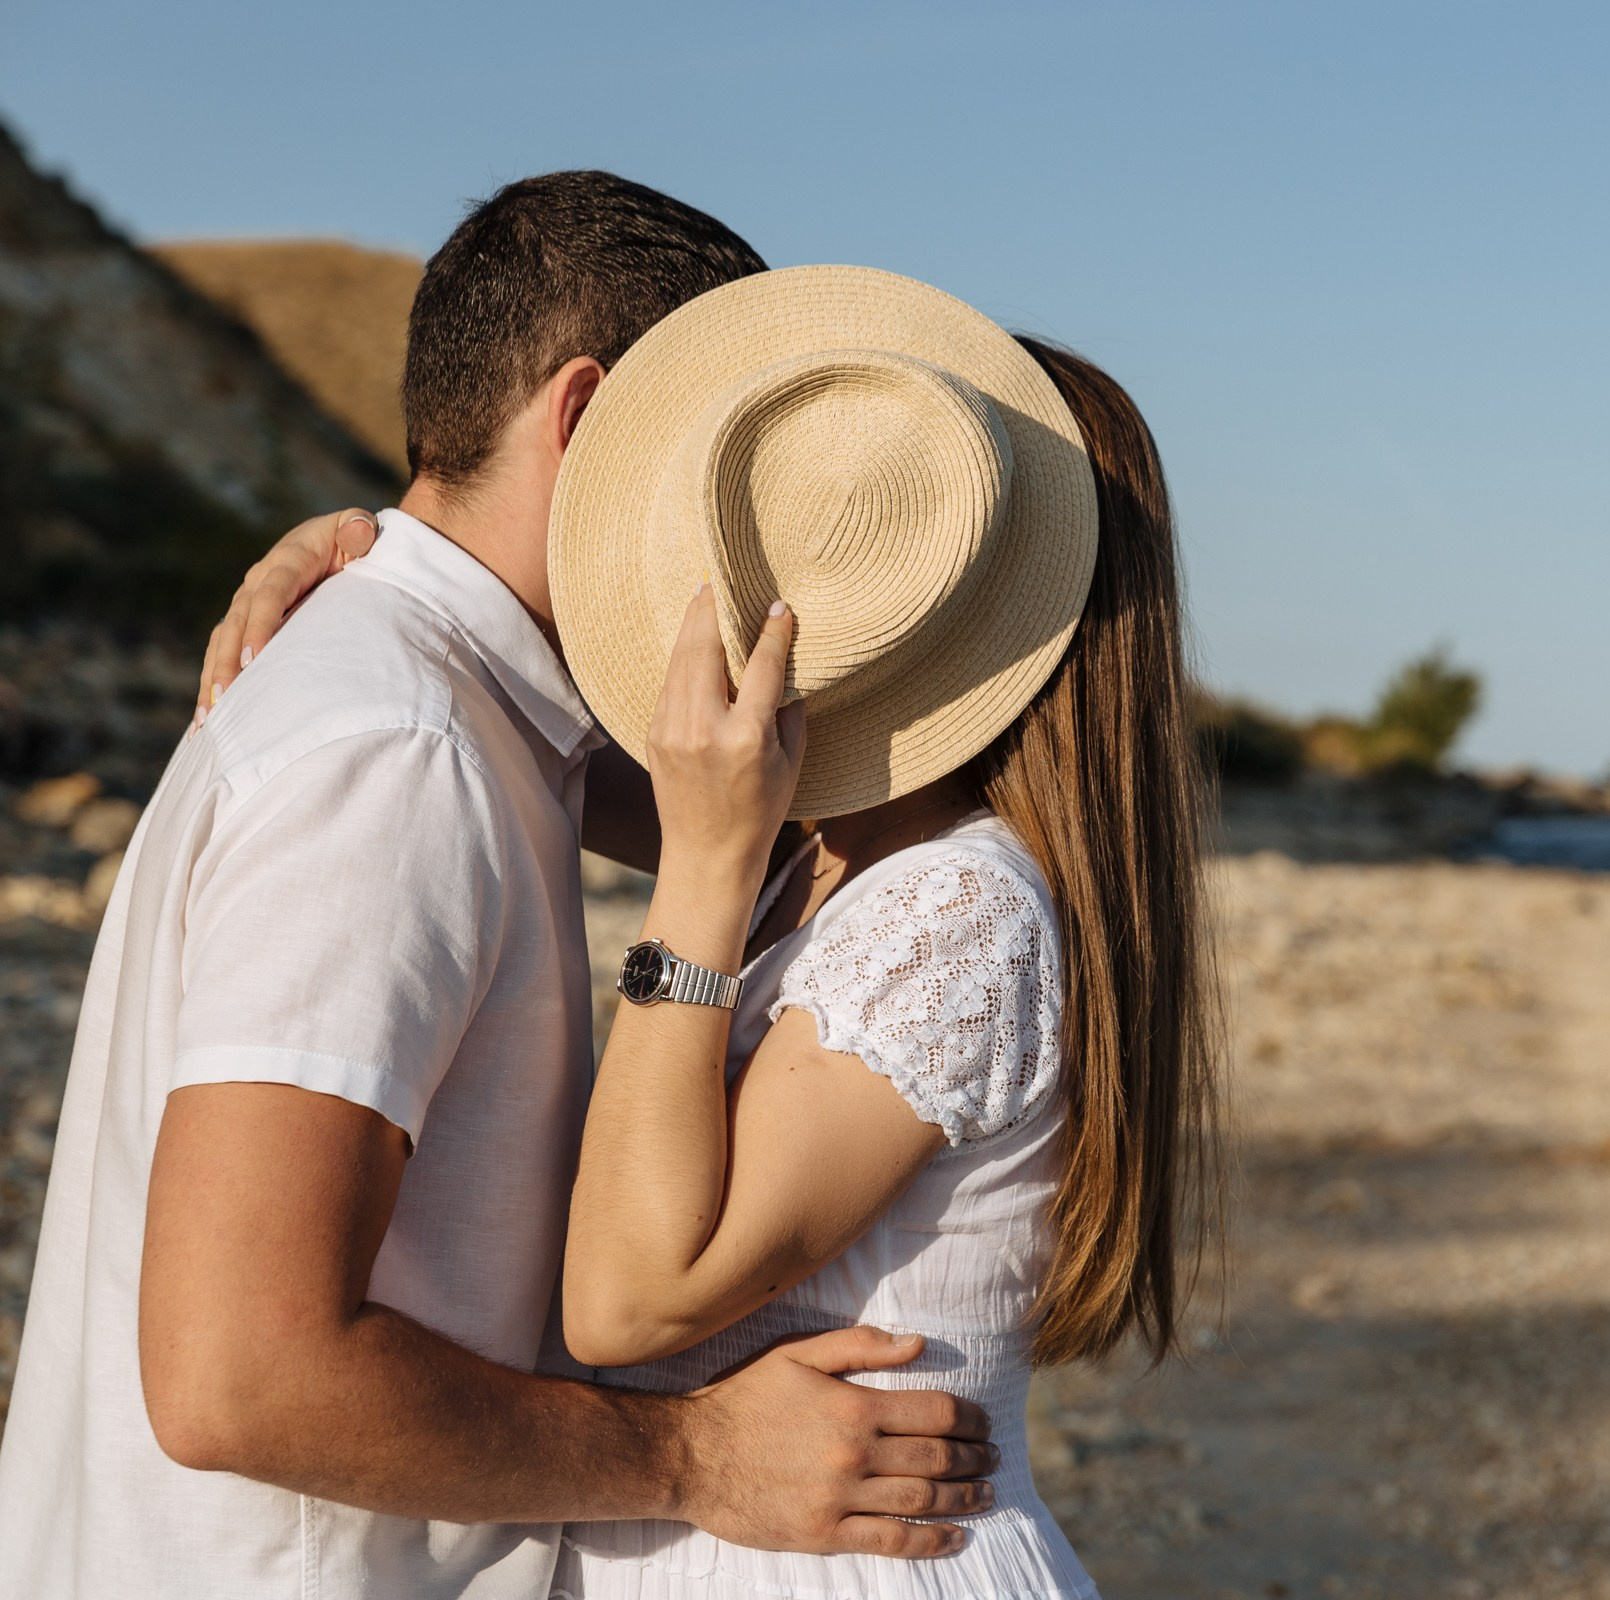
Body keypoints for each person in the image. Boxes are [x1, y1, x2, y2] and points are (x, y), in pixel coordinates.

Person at [0, 180, 994, 1600]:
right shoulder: (397, 753)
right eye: (727, 471)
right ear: (587, 423)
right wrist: (694, 1460)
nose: (751, 536)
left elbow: (780, 825)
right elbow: (239, 1376)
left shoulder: (449, 714)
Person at [201, 265, 1222, 1600]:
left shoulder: (958, 910)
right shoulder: (843, 852)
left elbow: (629, 1298)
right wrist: (372, 568)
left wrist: (702, 870)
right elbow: (536, 730)